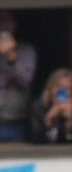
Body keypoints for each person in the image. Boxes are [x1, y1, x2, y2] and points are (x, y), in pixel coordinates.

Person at [0, 10, 36, 143]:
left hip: (14, 122)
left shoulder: (26, 50)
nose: (3, 26)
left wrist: (11, 58)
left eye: (6, 22)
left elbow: (26, 80)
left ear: (14, 25)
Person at [30, 67, 72, 144]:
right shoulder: (39, 106)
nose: (62, 92)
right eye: (59, 87)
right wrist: (48, 122)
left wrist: (70, 123)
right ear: (51, 88)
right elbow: (35, 140)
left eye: (67, 89)